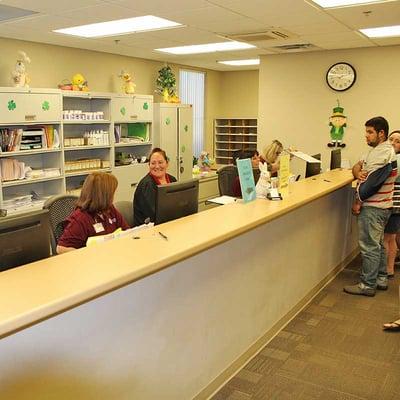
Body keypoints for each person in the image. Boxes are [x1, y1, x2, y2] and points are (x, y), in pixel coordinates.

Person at [344, 117, 397, 297]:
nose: (366, 136)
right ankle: (381, 278)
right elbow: (357, 166)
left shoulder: (381, 155)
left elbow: (370, 186)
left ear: (381, 133)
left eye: (370, 132)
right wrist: (358, 171)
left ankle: (367, 285)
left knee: (369, 247)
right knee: (378, 244)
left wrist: (358, 201)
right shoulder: (377, 151)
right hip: (383, 207)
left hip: (374, 207)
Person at [57, 172, 129, 254]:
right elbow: (61, 248)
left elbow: (126, 231)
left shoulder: (109, 209)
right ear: (103, 195)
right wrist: (87, 255)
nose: (114, 195)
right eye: (112, 193)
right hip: (92, 262)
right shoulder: (80, 218)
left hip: (111, 255)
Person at [133, 147, 177, 226]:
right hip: (148, 229)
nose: (157, 166)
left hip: (168, 224)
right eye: (153, 163)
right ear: (149, 165)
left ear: (167, 163)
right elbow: (155, 214)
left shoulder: (172, 179)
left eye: (160, 162)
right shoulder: (147, 185)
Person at [383, 130, 400, 278]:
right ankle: (389, 268)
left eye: (398, 141)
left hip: (394, 205)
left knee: (386, 239)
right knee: (391, 238)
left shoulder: (397, 160)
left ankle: (385, 270)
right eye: (391, 139)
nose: (393, 143)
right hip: (394, 204)